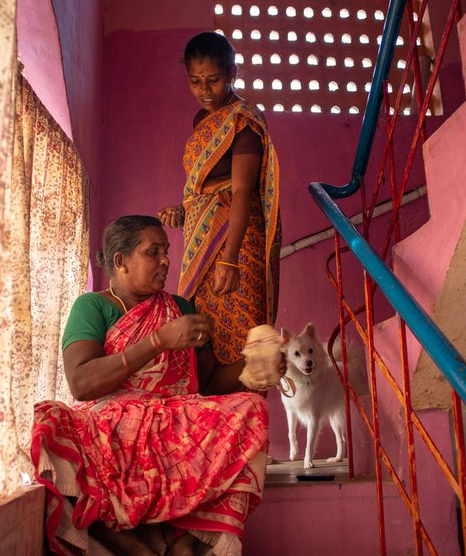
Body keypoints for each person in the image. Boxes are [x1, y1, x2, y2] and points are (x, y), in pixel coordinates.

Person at [32, 215, 270, 556]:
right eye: (153, 251)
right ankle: (136, 550)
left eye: (166, 251)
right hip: (111, 423)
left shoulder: (181, 309)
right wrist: (158, 341)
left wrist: (253, 368)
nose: (166, 260)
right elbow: (82, 383)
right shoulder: (94, 306)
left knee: (252, 407)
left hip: (175, 420)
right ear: (121, 261)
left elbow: (209, 383)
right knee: (52, 421)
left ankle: (185, 544)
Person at [158, 31, 281, 366]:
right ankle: (214, 416)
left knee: (242, 339)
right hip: (206, 241)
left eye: (213, 80)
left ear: (232, 74)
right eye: (195, 81)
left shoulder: (241, 120)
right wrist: (184, 212)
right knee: (205, 339)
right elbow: (207, 190)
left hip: (237, 244)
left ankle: (247, 412)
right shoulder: (203, 122)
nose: (204, 90)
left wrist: (230, 259)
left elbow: (242, 191)